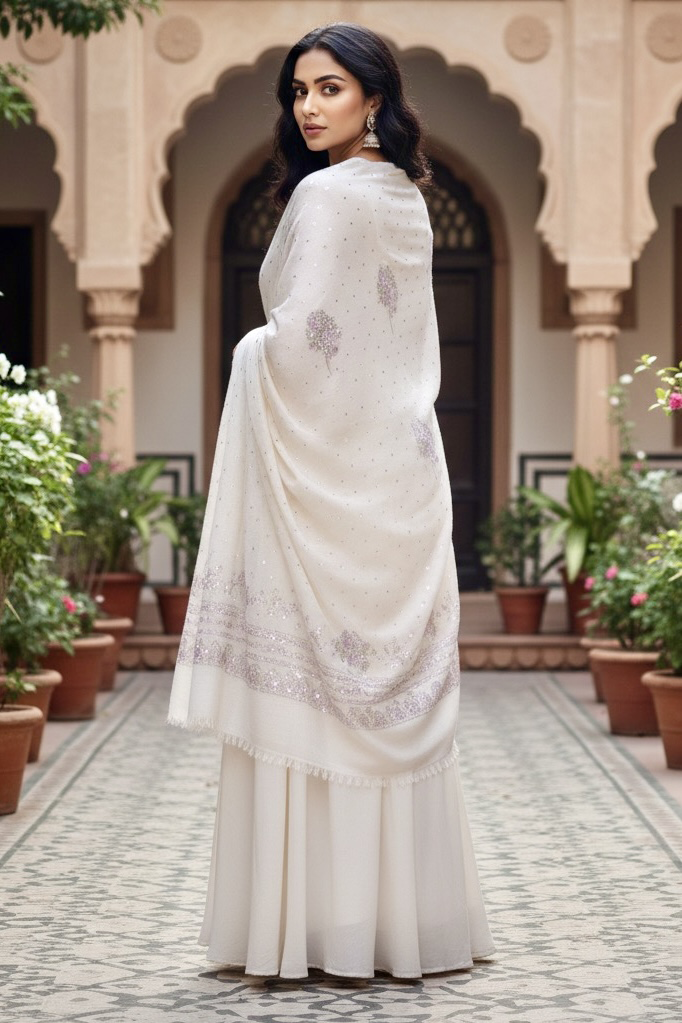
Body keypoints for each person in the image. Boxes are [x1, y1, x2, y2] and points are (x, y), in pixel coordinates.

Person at [168, 22, 494, 979]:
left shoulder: (327, 195)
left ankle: (304, 928)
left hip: (328, 486)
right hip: (399, 477)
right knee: (365, 708)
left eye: (329, 89)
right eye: (298, 91)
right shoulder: (407, 198)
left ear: (374, 100)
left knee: (307, 707)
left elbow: (300, 345)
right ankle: (395, 929)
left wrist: (249, 352)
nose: (308, 107)